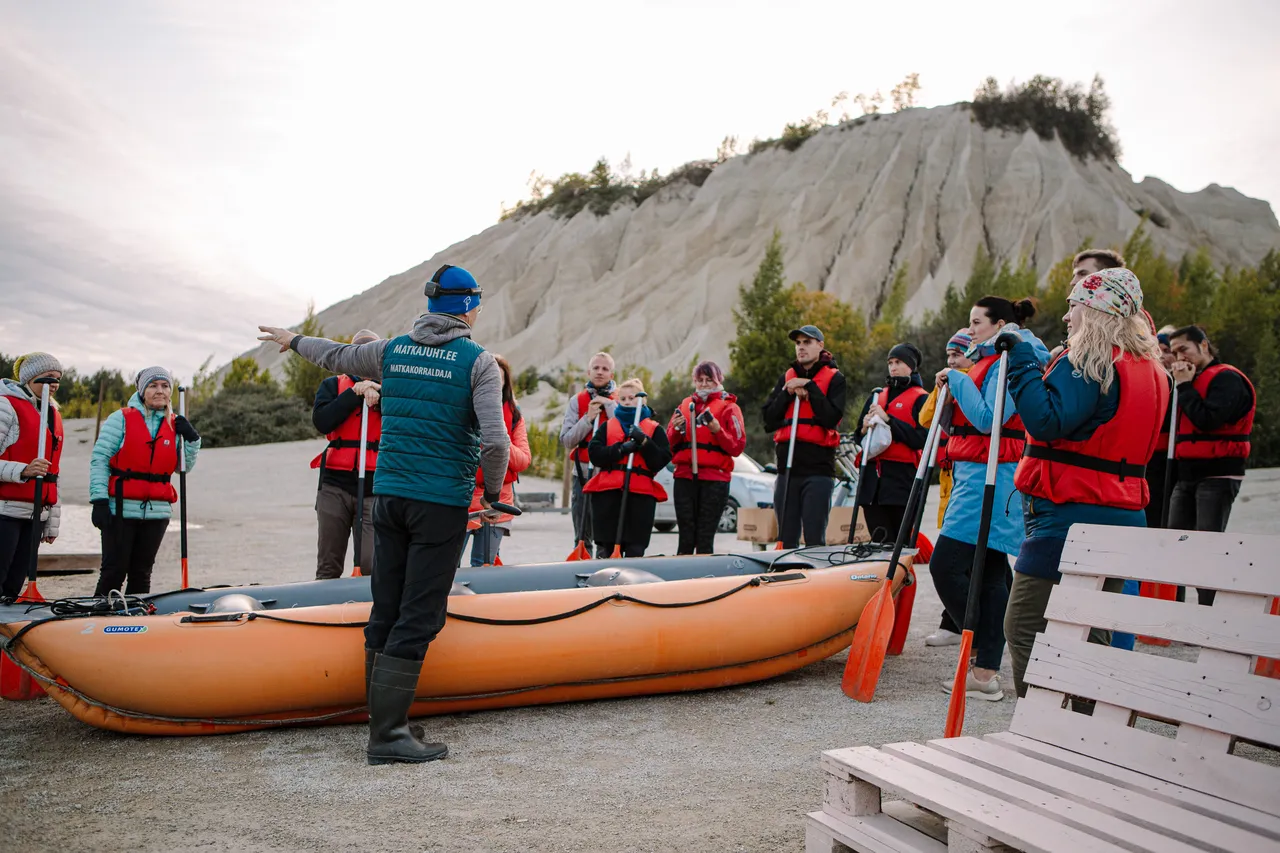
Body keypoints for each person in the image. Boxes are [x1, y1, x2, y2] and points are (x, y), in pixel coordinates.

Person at [258, 262, 510, 765]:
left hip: (388, 496)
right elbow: (496, 440)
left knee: (387, 606)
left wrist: (294, 338)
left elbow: (334, 355)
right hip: (439, 503)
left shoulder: (392, 350)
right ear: (467, 307)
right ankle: (389, 736)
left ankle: (385, 721)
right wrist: (494, 494)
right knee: (420, 614)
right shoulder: (479, 362)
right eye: (478, 302)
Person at [1002, 267, 1167, 697]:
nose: (1067, 317)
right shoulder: (1149, 369)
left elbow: (1047, 421)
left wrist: (1019, 358)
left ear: (1095, 310)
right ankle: (1089, 734)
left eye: (1074, 305)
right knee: (1091, 632)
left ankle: (1049, 732)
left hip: (1071, 515)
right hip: (1125, 515)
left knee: (1024, 625)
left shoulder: (1091, 359)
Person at [931, 298, 1050, 701]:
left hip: (994, 477)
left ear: (1001, 324)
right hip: (976, 472)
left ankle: (984, 652)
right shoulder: (992, 357)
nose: (972, 329)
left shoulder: (1012, 357)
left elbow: (988, 418)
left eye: (978, 322)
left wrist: (958, 378)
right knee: (992, 571)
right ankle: (985, 671)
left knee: (946, 564)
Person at [90, 367, 201, 596]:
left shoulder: (175, 424)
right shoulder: (120, 418)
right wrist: (99, 500)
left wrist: (192, 439)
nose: (160, 391)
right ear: (142, 391)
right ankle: (97, 617)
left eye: (165, 386)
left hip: (157, 512)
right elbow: (100, 459)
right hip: (120, 509)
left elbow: (184, 468)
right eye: (153, 386)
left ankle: (135, 620)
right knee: (114, 571)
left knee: (142, 572)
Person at [1167, 324, 1254, 606]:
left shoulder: (1227, 379)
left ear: (1203, 346)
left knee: (1208, 546)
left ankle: (1208, 611)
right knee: (1175, 542)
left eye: (1185, 349)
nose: (1180, 357)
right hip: (1187, 474)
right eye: (1175, 351)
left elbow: (1208, 421)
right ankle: (1174, 608)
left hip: (1218, 473)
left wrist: (1184, 386)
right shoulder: (1187, 381)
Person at [762, 325, 848, 548]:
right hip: (787, 470)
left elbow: (831, 418)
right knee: (787, 536)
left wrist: (810, 387)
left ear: (820, 345)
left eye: (807, 342)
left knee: (813, 536)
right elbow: (768, 420)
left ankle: (815, 578)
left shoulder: (835, 379)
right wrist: (787, 392)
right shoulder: (787, 379)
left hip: (818, 470)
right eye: (798, 343)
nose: (801, 347)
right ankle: (786, 577)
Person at [310, 329, 382, 579]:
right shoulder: (332, 386)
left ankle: (369, 613)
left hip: (374, 487)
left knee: (371, 564)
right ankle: (323, 613)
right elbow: (322, 422)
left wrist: (378, 395)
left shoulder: (392, 389)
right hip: (334, 486)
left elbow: (406, 422)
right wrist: (354, 394)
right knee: (328, 565)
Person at [917, 330, 970, 647]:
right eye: (949, 356)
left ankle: (961, 623)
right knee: (959, 554)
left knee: (960, 558)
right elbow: (926, 418)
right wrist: (939, 390)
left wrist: (958, 381)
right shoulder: (946, 383)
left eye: (958, 355)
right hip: (951, 480)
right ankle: (952, 622)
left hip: (972, 476)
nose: (951, 361)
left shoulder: (976, 379)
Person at [0, 354, 63, 599]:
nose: (53, 384)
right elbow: (29, 469)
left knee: (15, 584)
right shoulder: (6, 406)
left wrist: (51, 521)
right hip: (5, 511)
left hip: (35, 512)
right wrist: (22, 470)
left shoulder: (52, 415)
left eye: (57, 379)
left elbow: (53, 473)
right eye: (47, 377)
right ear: (29, 378)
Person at [585, 379, 672, 557]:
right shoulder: (607, 427)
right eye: (622, 398)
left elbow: (660, 460)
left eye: (631, 398)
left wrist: (644, 442)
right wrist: (621, 449)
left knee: (635, 549)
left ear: (641, 400)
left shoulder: (654, 429)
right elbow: (595, 454)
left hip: (639, 499)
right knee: (606, 551)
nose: (626, 402)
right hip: (608, 497)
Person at [666, 361, 745, 555]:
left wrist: (717, 430)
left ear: (718, 381)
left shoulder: (729, 408)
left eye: (709, 380)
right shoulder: (685, 405)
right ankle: (681, 580)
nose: (704, 384)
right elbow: (668, 444)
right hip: (685, 477)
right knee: (685, 536)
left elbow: (737, 446)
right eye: (700, 380)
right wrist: (677, 429)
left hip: (714, 480)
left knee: (704, 537)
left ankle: (704, 579)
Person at [850, 342, 926, 544]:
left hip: (901, 483)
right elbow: (858, 437)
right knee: (879, 545)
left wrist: (889, 420)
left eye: (898, 362)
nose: (892, 367)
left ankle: (903, 575)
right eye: (890, 362)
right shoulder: (876, 396)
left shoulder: (921, 399)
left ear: (911, 366)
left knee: (898, 546)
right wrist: (864, 428)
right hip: (872, 485)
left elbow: (921, 439)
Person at [465, 355, 531, 566]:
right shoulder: (462, 411)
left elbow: (522, 461)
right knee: (448, 565)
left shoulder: (514, 416)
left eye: (498, 378)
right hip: (464, 499)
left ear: (504, 383)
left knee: (484, 565)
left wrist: (498, 436)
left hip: (498, 501)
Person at [559, 353, 617, 555]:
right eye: (596, 368)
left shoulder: (620, 403)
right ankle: (581, 574)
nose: (600, 372)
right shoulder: (577, 401)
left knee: (606, 534)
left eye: (605, 368)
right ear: (589, 372)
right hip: (582, 476)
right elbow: (567, 440)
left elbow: (622, 437)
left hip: (609, 475)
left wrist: (608, 408)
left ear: (611, 374)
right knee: (582, 535)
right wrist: (588, 418)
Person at [1142, 326, 1180, 529]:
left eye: (1168, 351)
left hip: (1173, 459)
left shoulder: (1183, 383)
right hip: (1150, 459)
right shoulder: (1152, 379)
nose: (1163, 356)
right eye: (1159, 351)